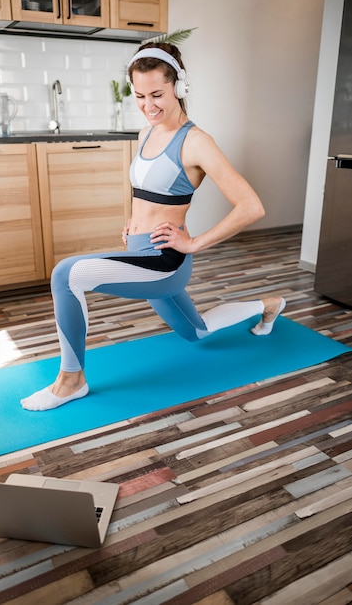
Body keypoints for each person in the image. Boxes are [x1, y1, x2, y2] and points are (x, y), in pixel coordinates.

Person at [21, 42, 285, 411]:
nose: (148, 105)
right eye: (140, 96)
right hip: (139, 253)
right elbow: (148, 190)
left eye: (157, 94)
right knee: (196, 333)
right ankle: (268, 304)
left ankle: (71, 381)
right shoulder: (146, 132)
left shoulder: (196, 142)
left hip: (164, 262)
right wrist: (133, 220)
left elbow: (251, 206)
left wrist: (194, 244)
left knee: (66, 274)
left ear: (179, 87)